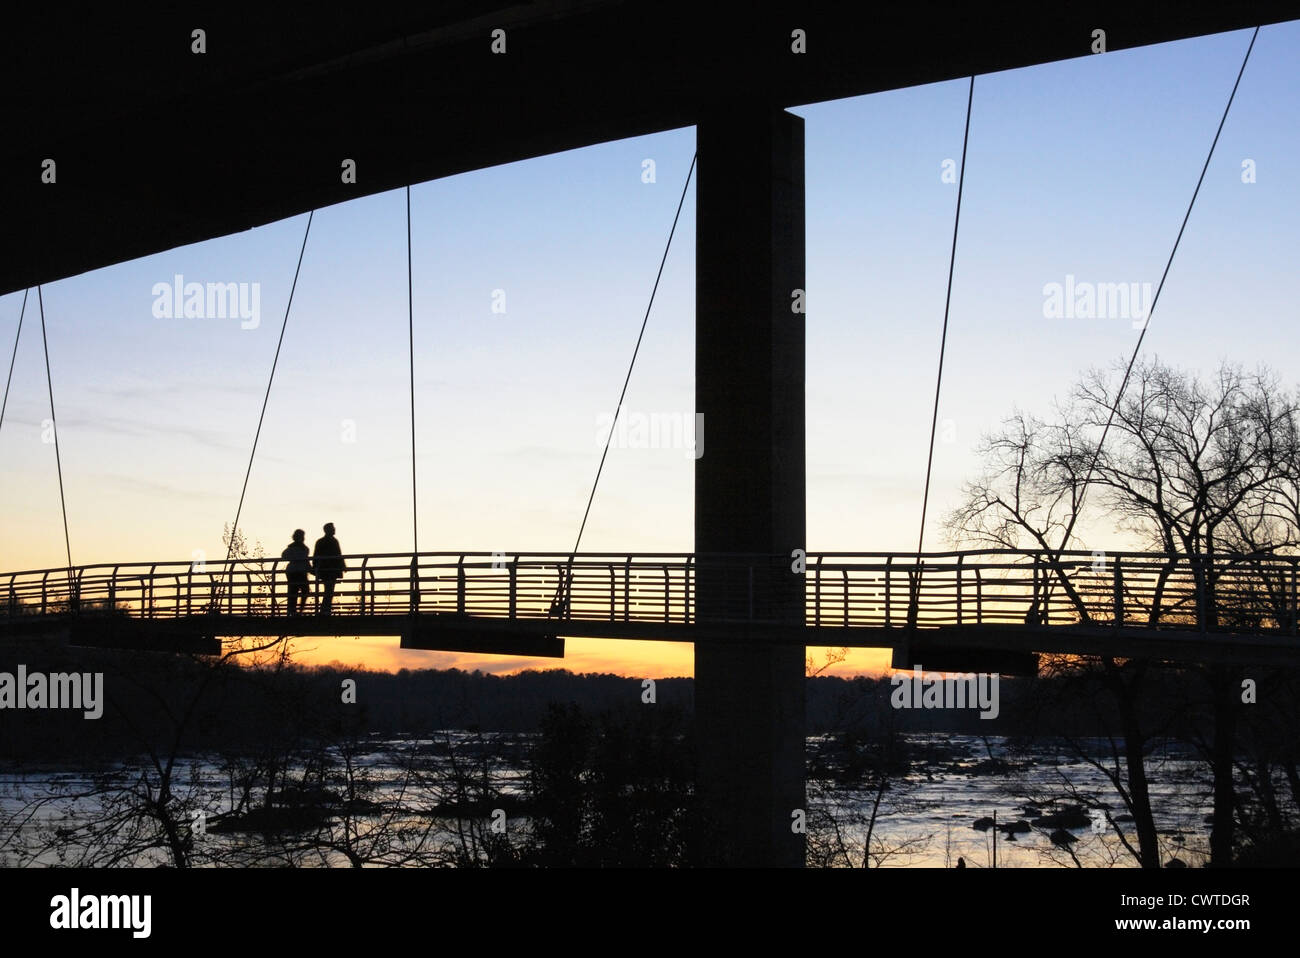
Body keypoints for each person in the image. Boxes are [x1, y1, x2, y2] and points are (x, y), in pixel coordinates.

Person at [312, 522, 347, 615]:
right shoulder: (333, 541)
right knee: (329, 590)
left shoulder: (321, 541)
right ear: (328, 530)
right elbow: (338, 555)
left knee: (328, 590)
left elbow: (315, 556)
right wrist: (343, 566)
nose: (334, 529)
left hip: (325, 570)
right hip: (330, 570)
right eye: (333, 528)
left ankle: (325, 609)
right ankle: (325, 610)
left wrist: (315, 568)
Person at [281, 529, 310, 616]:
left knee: (293, 591)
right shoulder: (303, 549)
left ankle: (293, 611)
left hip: (292, 571)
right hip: (299, 572)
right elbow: (306, 561)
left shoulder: (291, 548)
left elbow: (284, 556)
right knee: (302, 590)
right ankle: (297, 610)